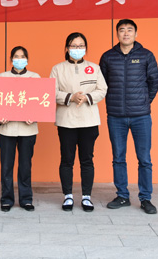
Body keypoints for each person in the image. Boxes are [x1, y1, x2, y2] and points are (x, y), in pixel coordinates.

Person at [99, 19, 158, 214]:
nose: (126, 33)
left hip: (141, 116)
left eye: (129, 30)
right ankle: (122, 195)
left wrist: (143, 102)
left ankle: (145, 198)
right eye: (122, 30)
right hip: (116, 116)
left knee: (144, 158)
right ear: (117, 34)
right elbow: (101, 85)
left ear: (136, 34)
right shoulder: (108, 57)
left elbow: (154, 82)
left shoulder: (146, 55)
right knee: (118, 157)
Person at [51, 32, 107, 212]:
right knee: (67, 160)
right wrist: (70, 97)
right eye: (73, 46)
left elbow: (102, 89)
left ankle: (86, 197)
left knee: (87, 159)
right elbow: (51, 92)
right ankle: (67, 195)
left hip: (89, 120)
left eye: (81, 46)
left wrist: (87, 97)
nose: (77, 49)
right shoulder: (57, 69)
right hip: (66, 121)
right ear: (67, 48)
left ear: (85, 48)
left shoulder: (94, 68)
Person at [0, 46, 40, 212]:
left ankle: (26, 199)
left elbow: (41, 102)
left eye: (22, 56)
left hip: (28, 129)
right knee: (6, 166)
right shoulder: (2, 77)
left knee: (25, 166)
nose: (19, 59)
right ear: (11, 59)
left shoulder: (35, 77)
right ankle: (6, 199)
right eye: (16, 56)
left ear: (27, 59)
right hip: (6, 129)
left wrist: (35, 116)